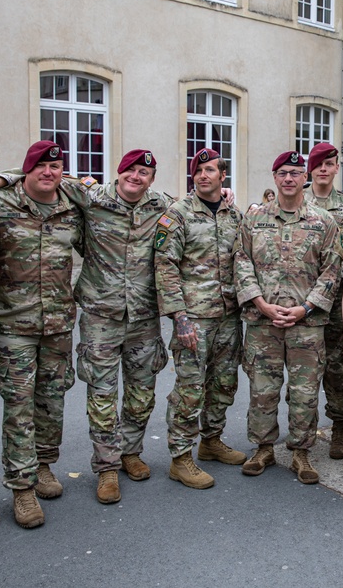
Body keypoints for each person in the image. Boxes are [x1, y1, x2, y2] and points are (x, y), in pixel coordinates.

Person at [0, 148, 173, 505]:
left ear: (152, 179)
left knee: (141, 393)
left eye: (144, 173)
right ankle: (106, 467)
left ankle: (130, 453)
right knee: (102, 395)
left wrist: (225, 193)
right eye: (130, 171)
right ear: (118, 172)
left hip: (144, 316)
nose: (136, 177)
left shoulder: (161, 206)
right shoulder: (90, 196)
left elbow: (194, 206)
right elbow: (42, 174)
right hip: (100, 316)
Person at [0, 141, 83, 528]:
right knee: (19, 406)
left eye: (56, 166)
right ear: (25, 170)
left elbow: (112, 190)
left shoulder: (71, 204)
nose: (49, 172)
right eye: (40, 165)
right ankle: (21, 487)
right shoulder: (0, 203)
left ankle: (43, 466)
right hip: (15, 324)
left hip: (58, 323)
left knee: (51, 400)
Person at [234, 151, 342, 484]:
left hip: (306, 324)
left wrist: (306, 307)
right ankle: (264, 447)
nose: (289, 179)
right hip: (263, 322)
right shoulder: (253, 220)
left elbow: (332, 270)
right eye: (283, 173)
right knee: (262, 390)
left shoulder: (323, 221)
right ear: (274, 177)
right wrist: (262, 304)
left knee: (305, 392)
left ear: (304, 178)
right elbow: (241, 263)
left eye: (296, 173)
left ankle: (301, 452)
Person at [153, 148, 246, 490]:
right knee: (190, 390)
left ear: (223, 176)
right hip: (193, 318)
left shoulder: (233, 215)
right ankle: (180, 457)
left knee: (223, 384)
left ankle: (211, 441)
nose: (203, 175)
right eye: (198, 170)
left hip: (227, 316)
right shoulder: (176, 215)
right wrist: (179, 318)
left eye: (210, 170)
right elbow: (165, 266)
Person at [306, 143, 343, 459]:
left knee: (336, 365)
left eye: (330, 164)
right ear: (311, 169)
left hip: (337, 301)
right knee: (302, 365)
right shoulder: (296, 201)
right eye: (319, 164)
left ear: (336, 167)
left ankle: (340, 427)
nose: (324, 169)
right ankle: (303, 429)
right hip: (301, 300)